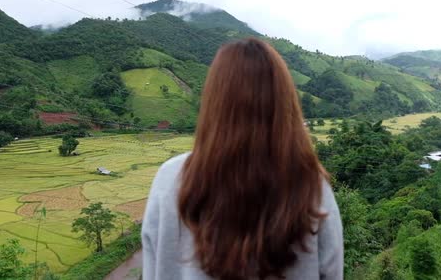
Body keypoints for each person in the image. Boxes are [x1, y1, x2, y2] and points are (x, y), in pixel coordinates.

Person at [142, 38, 343, 280]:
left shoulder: (171, 178)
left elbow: (153, 267)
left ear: (214, 101)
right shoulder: (310, 184)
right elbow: (331, 273)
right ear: (284, 102)